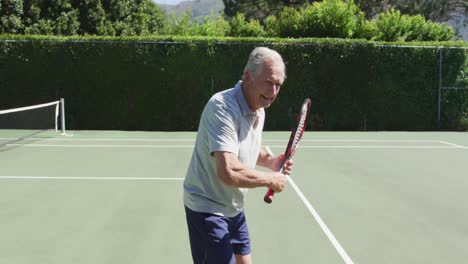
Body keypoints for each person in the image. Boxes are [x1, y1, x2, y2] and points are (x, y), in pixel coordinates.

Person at [183, 47, 293, 264]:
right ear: (247, 77)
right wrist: (270, 179)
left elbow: (245, 147)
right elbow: (228, 170)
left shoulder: (259, 109)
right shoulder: (222, 107)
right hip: (207, 207)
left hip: (234, 207)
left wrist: (271, 161)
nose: (273, 91)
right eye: (268, 82)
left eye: (278, 85)